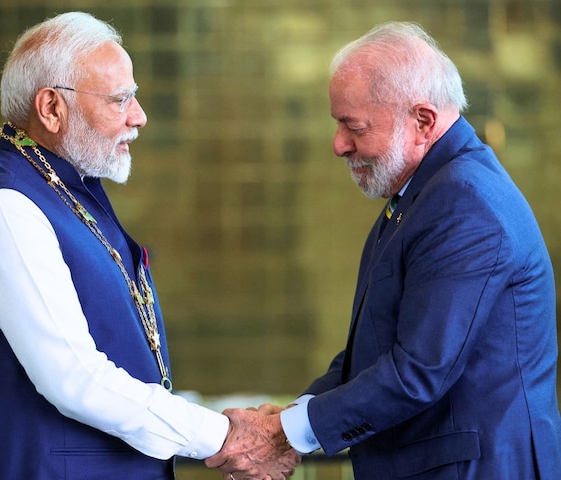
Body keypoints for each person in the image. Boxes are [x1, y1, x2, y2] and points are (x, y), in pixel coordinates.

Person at [0, 12, 298, 480]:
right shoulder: (5, 205)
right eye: (119, 99)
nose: (138, 116)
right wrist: (222, 435)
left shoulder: (67, 189)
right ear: (51, 108)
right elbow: (74, 378)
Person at [206, 21, 561, 479]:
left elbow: (418, 371)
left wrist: (284, 434)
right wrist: (295, 416)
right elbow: (376, 349)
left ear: (423, 122)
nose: (338, 145)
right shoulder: (427, 193)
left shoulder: (464, 204)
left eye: (353, 126)